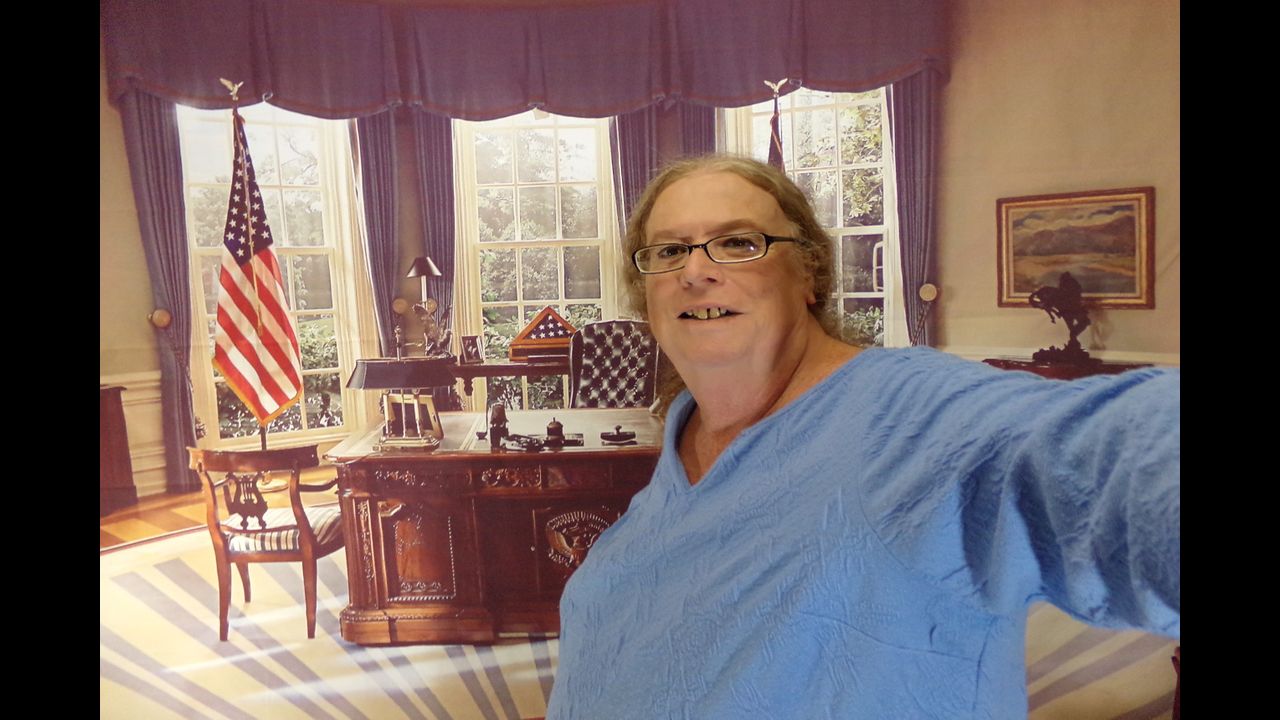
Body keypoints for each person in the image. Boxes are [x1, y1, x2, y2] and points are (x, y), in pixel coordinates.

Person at [545, 155, 1179, 719]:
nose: (696, 270)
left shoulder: (911, 417)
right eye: (668, 251)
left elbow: (1114, 459)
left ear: (809, 274)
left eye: (738, 242)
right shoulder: (682, 445)